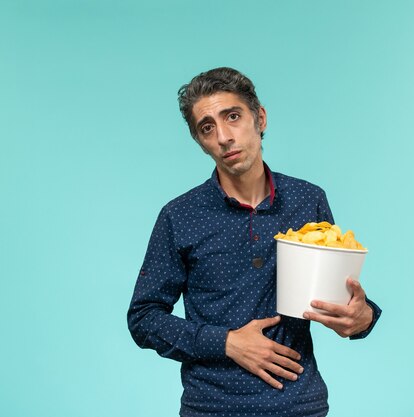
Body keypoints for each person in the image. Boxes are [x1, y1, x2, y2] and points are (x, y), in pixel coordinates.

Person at [127, 67, 381, 417]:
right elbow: (143, 318)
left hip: (300, 406)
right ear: (199, 142)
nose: (223, 136)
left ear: (259, 118)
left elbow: (336, 297)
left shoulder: (308, 200)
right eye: (207, 127)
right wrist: (227, 343)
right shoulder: (179, 216)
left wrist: (362, 317)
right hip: (212, 408)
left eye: (233, 116)